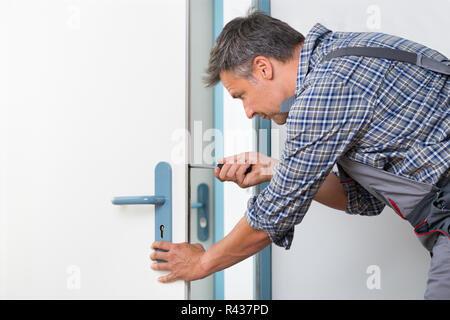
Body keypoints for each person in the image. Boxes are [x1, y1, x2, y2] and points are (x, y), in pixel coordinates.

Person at [151, 11, 450, 299]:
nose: (249, 111)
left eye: (241, 95)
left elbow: (275, 212)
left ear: (263, 68)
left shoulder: (323, 92)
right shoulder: (344, 54)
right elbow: (363, 198)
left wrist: (202, 263)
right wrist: (276, 170)